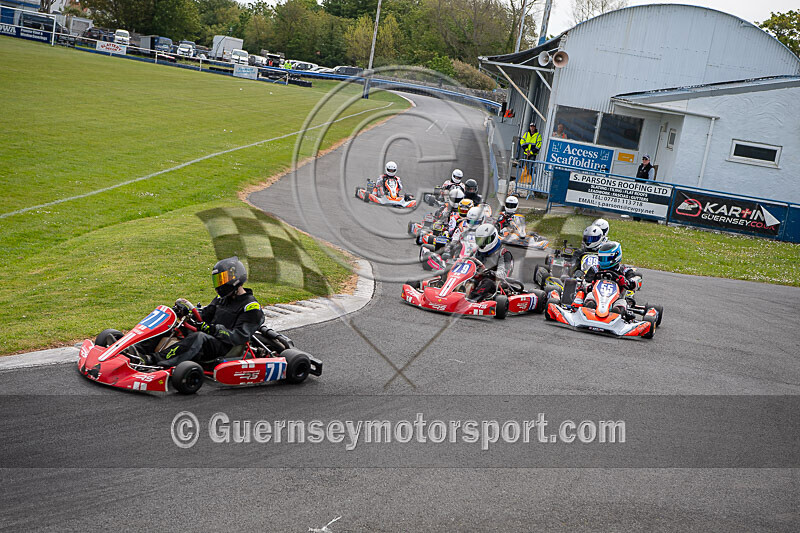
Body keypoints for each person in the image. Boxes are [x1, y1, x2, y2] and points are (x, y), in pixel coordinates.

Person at [150, 257, 265, 367]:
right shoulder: (222, 299)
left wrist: (213, 329)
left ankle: (154, 360)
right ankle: (140, 350)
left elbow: (239, 336)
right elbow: (205, 314)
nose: (219, 284)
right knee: (172, 326)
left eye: (222, 280)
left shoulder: (251, 307)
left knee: (199, 337)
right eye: (217, 280)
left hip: (227, 347)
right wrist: (186, 313)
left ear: (235, 279)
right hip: (212, 338)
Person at [580, 242, 642, 315]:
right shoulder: (595, 269)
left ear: (616, 257)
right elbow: (585, 282)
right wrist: (590, 286)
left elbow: (637, 281)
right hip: (596, 297)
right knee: (590, 297)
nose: (604, 261)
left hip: (617, 299)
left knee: (621, 303)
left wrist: (626, 282)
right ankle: (588, 312)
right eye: (602, 258)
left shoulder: (624, 271)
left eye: (606, 258)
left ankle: (616, 314)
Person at [468, 224, 514, 302]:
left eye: (485, 240)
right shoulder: (477, 252)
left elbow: (504, 273)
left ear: (494, 238)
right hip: (477, 278)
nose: (482, 243)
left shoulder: (504, 253)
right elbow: (469, 262)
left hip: (496, 283)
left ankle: (472, 300)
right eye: (480, 240)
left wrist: (491, 273)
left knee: (487, 282)